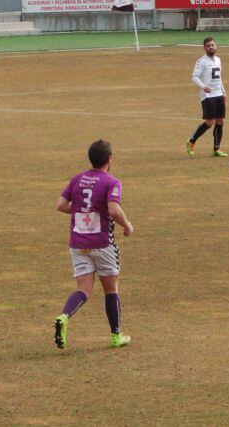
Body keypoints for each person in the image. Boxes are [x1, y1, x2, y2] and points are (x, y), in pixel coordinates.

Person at [53, 139, 134, 350]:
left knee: (84, 289)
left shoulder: (77, 179)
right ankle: (116, 335)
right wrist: (127, 225)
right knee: (111, 289)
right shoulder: (111, 182)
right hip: (102, 244)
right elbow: (114, 210)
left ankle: (64, 316)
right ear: (110, 159)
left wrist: (81, 210)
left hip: (78, 243)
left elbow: (61, 205)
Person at [186, 36, 228, 158]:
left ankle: (216, 148)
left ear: (216, 46)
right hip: (208, 96)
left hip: (218, 94)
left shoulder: (218, 60)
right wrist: (204, 87)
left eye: (212, 45)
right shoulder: (201, 61)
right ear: (205, 48)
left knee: (220, 121)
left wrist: (223, 91)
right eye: (208, 46)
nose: (211, 47)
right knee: (209, 122)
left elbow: (219, 78)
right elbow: (194, 77)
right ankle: (191, 141)